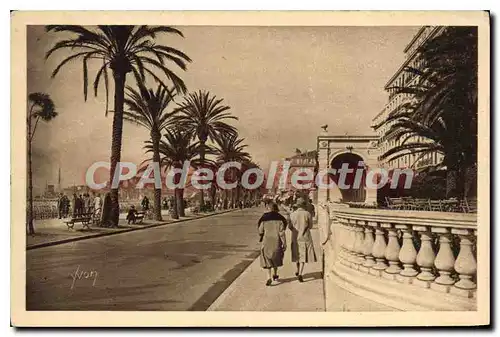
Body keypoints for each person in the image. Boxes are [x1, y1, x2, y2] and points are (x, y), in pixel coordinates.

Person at [257, 202, 287, 286]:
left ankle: (268, 277)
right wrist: (284, 243)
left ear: (268, 208)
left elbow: (260, 231)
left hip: (266, 241)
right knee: (275, 257)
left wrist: (262, 235)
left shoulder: (264, 219)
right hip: (276, 241)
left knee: (268, 259)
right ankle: (275, 274)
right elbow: (282, 233)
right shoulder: (280, 219)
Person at [289, 197, 317, 282]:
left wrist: (294, 230)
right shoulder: (307, 214)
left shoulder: (292, 214)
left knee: (297, 254)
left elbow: (289, 226)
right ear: (304, 205)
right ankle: (300, 273)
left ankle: (297, 270)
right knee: (303, 255)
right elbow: (311, 226)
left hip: (295, 236)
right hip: (305, 237)